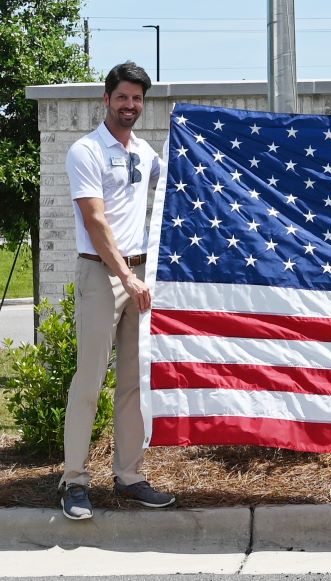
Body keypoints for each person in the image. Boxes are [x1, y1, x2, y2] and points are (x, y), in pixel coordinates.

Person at [60, 61, 174, 520]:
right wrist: (125, 276)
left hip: (140, 275)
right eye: (123, 97)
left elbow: (174, 193)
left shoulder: (147, 154)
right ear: (106, 99)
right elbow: (95, 219)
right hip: (103, 276)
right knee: (89, 381)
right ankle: (73, 482)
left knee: (133, 384)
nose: (131, 106)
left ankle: (129, 477)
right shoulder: (84, 151)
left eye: (137, 99)